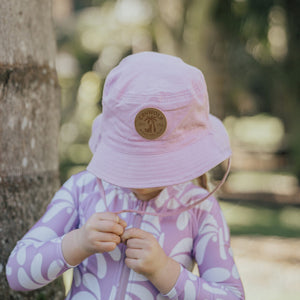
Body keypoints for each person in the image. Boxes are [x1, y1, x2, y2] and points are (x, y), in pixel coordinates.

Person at [6, 52, 245, 299]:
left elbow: (231, 295)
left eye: (157, 166)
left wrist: (165, 271)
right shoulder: (83, 189)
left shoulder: (200, 208)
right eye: (134, 164)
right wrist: (78, 243)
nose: (142, 179)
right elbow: (16, 274)